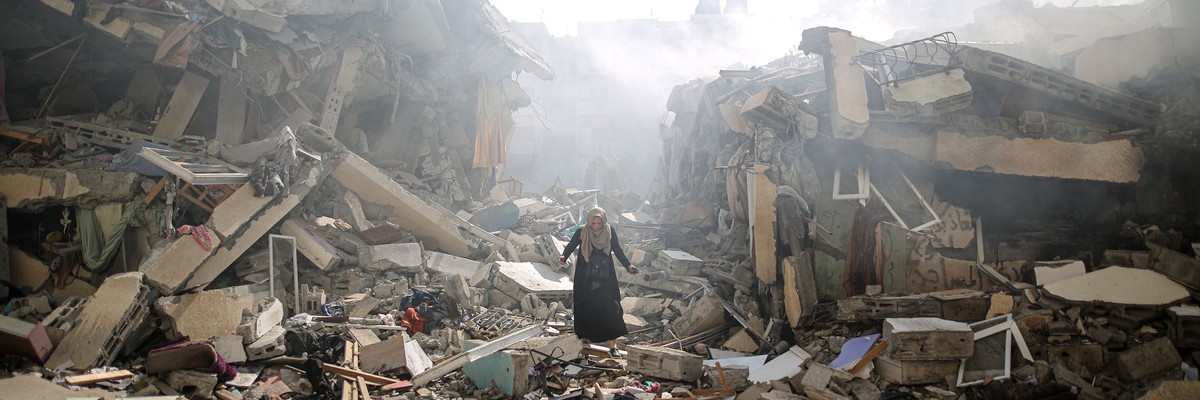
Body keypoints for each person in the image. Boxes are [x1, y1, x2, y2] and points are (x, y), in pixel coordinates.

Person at [559, 207, 638, 355]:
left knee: (610, 307)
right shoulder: (582, 232)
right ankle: (585, 340)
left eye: (599, 223)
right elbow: (571, 246)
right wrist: (563, 257)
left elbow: (618, 249)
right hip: (585, 276)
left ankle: (613, 346)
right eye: (593, 223)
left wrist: (628, 265)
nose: (596, 226)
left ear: (603, 221)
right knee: (585, 306)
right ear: (589, 221)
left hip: (605, 276)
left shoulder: (609, 231)